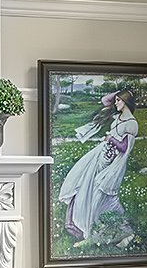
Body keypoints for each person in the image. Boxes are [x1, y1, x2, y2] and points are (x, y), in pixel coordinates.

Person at [56, 89, 139, 245]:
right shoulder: (119, 118)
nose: (115, 103)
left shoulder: (131, 123)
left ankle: (120, 232)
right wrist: (118, 94)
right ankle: (104, 232)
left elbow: (124, 147)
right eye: (116, 100)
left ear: (126, 102)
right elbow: (105, 100)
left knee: (102, 196)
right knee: (87, 188)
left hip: (113, 165)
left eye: (119, 100)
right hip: (102, 159)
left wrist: (111, 138)